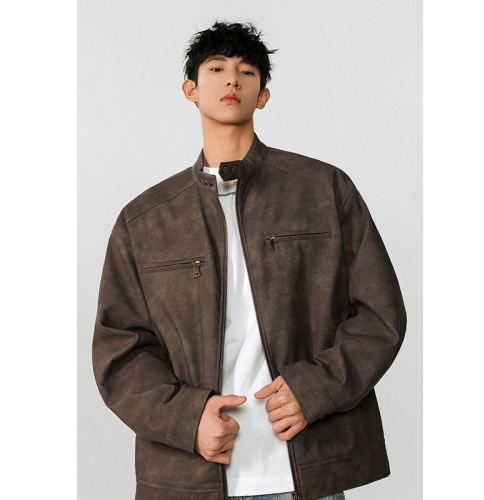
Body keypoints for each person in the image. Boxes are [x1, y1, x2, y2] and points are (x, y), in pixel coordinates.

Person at [92, 20, 406, 500]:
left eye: (246, 71)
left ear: (263, 95)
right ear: (191, 89)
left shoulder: (324, 190)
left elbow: (380, 314)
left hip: (306, 474)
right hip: (192, 476)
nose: (232, 80)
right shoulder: (145, 220)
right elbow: (120, 351)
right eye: (216, 68)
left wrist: (316, 389)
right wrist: (187, 418)